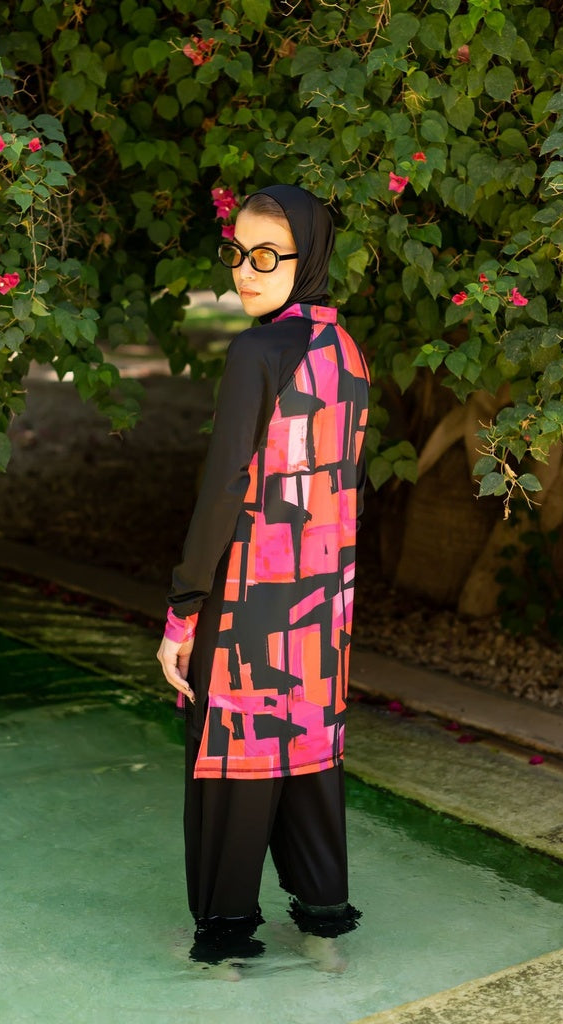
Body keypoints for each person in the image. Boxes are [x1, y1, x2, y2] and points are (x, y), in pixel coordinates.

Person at [157, 184, 370, 964]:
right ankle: (323, 933)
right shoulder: (346, 350)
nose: (245, 271)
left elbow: (223, 489)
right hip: (323, 606)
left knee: (231, 754)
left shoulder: (257, 351)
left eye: (266, 256)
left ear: (303, 257)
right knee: (308, 757)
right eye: (238, 252)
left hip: (250, 596)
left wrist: (182, 610)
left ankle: (225, 943)